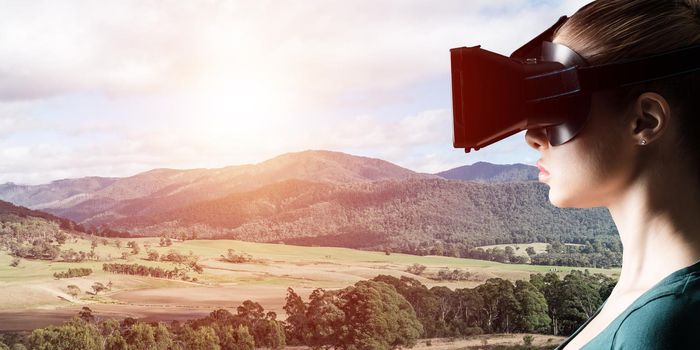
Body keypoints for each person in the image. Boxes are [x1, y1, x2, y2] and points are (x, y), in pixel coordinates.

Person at [523, 0, 700, 348]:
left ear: (645, 120)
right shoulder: (647, 299)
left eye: (559, 103)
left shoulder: (660, 328)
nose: (533, 137)